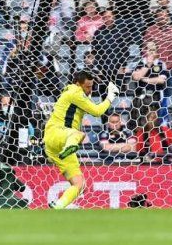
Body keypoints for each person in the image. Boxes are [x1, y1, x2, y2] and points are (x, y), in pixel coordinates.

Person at [43, 70, 119, 209]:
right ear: (78, 84)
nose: (90, 90)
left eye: (92, 86)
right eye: (87, 87)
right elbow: (97, 111)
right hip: (56, 134)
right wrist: (110, 97)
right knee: (79, 134)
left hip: (56, 146)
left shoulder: (74, 94)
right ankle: (69, 147)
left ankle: (58, 206)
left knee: (80, 185)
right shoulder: (75, 92)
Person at [92, 7, 131, 89]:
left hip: (119, 68)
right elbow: (95, 52)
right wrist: (98, 70)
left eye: (109, 16)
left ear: (114, 17)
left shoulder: (122, 31)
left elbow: (125, 51)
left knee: (119, 92)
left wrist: (123, 66)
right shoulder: (98, 33)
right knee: (104, 93)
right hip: (103, 69)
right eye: (104, 17)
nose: (107, 19)